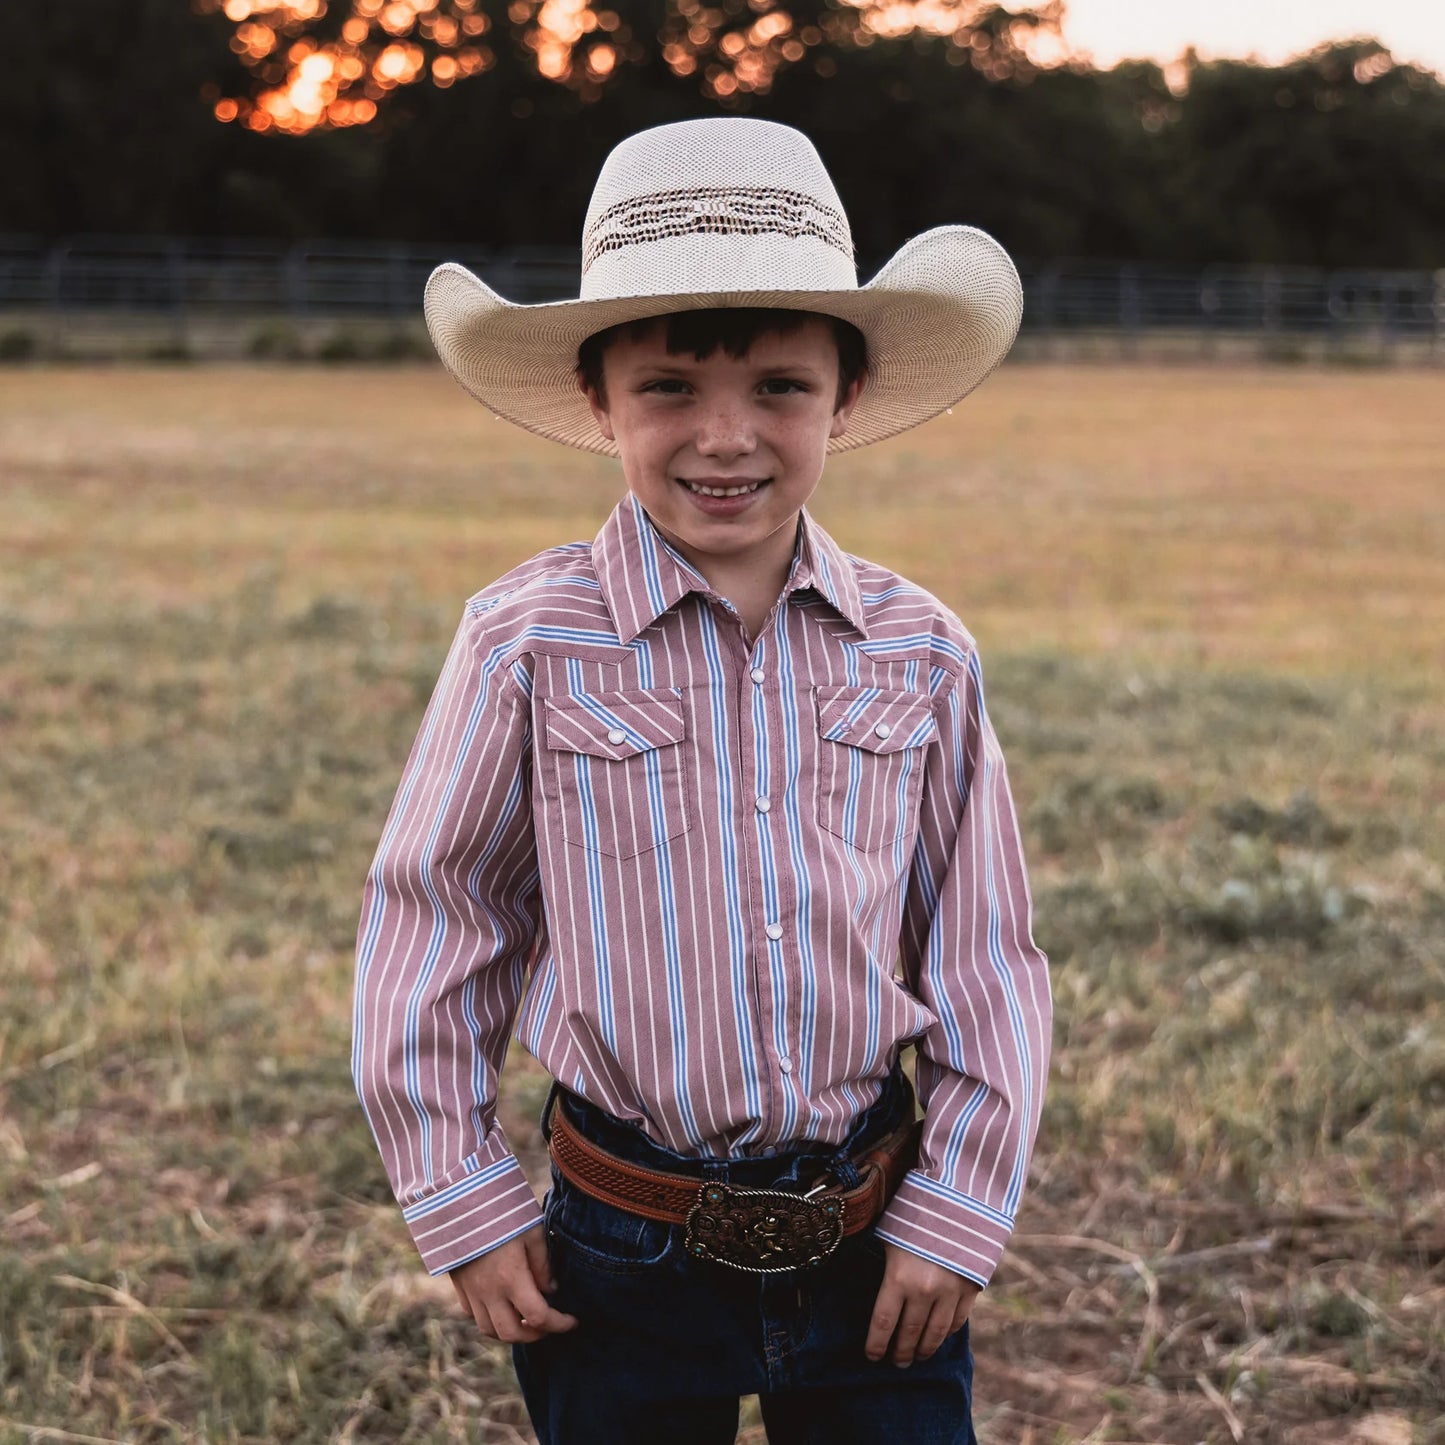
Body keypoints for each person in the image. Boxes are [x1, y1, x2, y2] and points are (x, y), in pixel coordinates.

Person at [352, 116, 1051, 1445]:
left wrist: (958, 1206)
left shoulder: (919, 649)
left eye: (780, 386)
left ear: (845, 396)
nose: (725, 437)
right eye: (668, 386)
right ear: (598, 400)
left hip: (870, 1233)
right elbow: (439, 916)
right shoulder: (527, 640)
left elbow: (984, 953)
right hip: (620, 1244)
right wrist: (462, 1195)